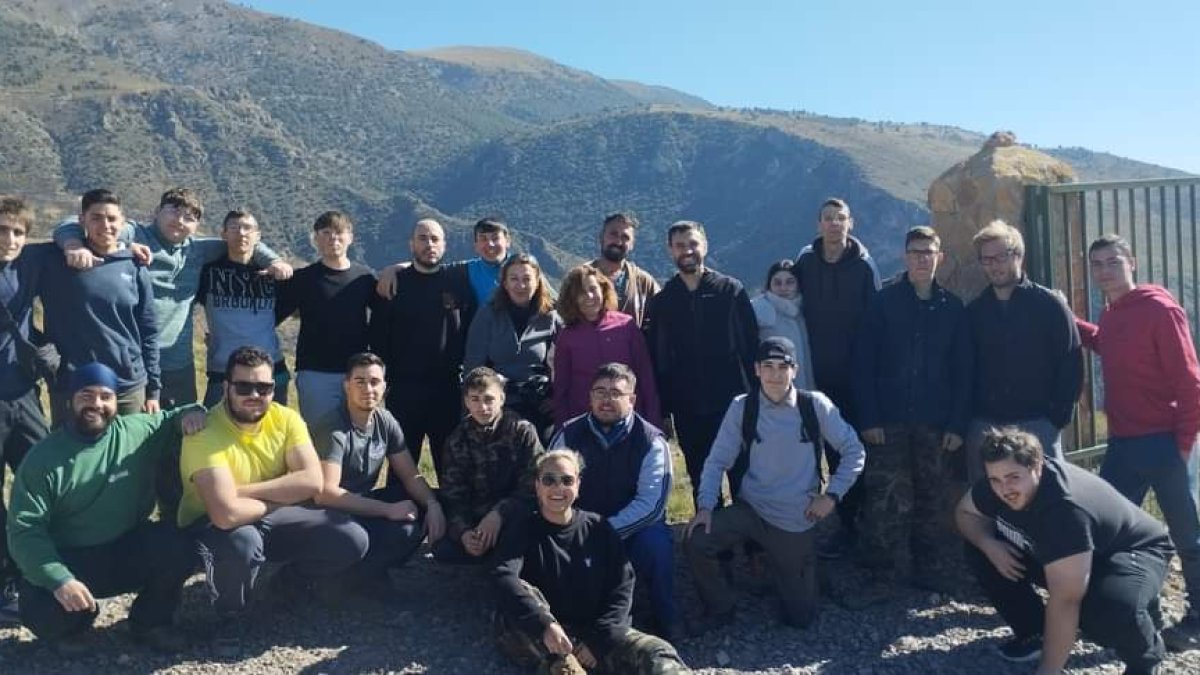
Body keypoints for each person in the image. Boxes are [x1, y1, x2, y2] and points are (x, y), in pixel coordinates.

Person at [6, 362, 205, 652]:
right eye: (86, 395)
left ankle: (151, 623)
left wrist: (193, 413)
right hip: (71, 558)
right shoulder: (43, 459)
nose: (96, 404)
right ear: (70, 400)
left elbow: (174, 417)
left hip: (125, 546)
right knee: (41, 610)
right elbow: (24, 531)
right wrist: (59, 579)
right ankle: (74, 625)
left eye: (105, 396)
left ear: (116, 401)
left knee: (177, 547)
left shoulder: (136, 431)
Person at [956, 427, 1172, 675]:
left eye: (1013, 477)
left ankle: (1146, 657)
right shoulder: (997, 485)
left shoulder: (1065, 509)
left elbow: (1066, 599)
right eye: (995, 479)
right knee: (979, 548)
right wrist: (989, 545)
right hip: (1072, 552)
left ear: (1036, 466)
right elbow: (965, 513)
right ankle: (1035, 633)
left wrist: (1048, 670)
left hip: (1131, 550)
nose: (1005, 489)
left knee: (1107, 610)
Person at [685, 337, 865, 631]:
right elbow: (717, 460)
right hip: (751, 509)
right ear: (756, 370)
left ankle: (808, 571)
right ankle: (721, 608)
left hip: (796, 517)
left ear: (795, 369)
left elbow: (854, 450)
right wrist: (705, 506)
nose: (775, 374)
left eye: (783, 366)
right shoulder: (742, 407)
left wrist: (831, 496)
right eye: (767, 366)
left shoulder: (814, 405)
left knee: (800, 618)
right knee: (697, 540)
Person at [52, 187, 289, 408]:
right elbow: (76, 222)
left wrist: (273, 261)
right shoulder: (136, 233)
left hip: (178, 361)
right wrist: (74, 245)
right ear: (157, 212)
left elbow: (241, 240)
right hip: (131, 357)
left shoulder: (198, 249)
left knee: (180, 428)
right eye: (174, 212)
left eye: (189, 217)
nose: (180, 221)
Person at [1076, 233, 1200, 651]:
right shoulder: (1113, 312)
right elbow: (1106, 344)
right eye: (1097, 264)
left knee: (1188, 536)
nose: (1105, 271)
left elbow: (1190, 381)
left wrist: (1183, 446)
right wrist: (1069, 319)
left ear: (1133, 262)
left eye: (1113, 261)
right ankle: (1143, 610)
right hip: (1124, 443)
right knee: (1114, 531)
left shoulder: (1159, 309)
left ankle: (1198, 619)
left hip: (1163, 441)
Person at [178, 346, 368, 617]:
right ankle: (227, 613)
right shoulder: (203, 431)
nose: (254, 395)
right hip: (208, 525)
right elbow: (224, 514)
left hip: (267, 513)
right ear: (226, 387)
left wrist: (243, 494)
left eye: (264, 388)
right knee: (242, 544)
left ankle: (284, 586)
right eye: (244, 387)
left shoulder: (285, 418)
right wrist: (278, 497)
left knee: (350, 538)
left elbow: (313, 481)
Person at [491, 449, 690, 674]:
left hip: (597, 630)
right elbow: (504, 577)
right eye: (549, 480)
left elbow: (622, 585)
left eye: (567, 480)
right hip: (546, 634)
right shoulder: (521, 529)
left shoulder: (598, 529)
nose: (558, 488)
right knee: (564, 668)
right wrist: (545, 625)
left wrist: (599, 640)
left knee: (657, 653)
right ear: (537, 485)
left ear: (578, 485)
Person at [852, 226, 971, 591]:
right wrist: (868, 417)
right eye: (915, 252)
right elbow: (863, 363)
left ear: (940, 258)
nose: (922, 258)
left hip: (936, 423)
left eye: (928, 252)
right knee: (887, 499)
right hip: (888, 421)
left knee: (934, 500)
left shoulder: (953, 308)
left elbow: (964, 370)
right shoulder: (883, 303)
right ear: (905, 257)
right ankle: (888, 575)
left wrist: (957, 423)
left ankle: (932, 572)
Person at [549, 363, 677, 639]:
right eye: (599, 392)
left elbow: (652, 505)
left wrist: (604, 533)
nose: (606, 399)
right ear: (590, 396)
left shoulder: (652, 441)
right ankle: (560, 626)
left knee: (656, 544)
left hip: (632, 531)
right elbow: (548, 488)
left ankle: (668, 618)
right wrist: (575, 531)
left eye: (616, 393)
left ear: (631, 400)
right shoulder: (569, 434)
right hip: (581, 532)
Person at [310, 352, 447, 598]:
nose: (368, 389)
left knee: (420, 506)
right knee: (376, 530)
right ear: (346, 385)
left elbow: (410, 475)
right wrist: (387, 510)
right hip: (325, 514)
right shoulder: (334, 427)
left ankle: (363, 575)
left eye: (374, 381)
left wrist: (433, 504)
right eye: (359, 381)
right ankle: (327, 583)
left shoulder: (385, 421)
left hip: (359, 503)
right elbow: (325, 494)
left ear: (384, 386)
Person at [643, 220, 757, 504]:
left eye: (693, 244)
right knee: (701, 476)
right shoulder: (663, 302)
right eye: (680, 246)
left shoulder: (730, 291)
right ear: (670, 250)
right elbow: (659, 358)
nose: (687, 251)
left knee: (743, 474)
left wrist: (757, 396)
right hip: (688, 407)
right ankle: (713, 542)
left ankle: (752, 541)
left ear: (704, 245)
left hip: (733, 402)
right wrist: (664, 409)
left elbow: (751, 347)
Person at [793, 197, 881, 559]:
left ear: (851, 223)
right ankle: (823, 524)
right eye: (827, 218)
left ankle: (859, 524)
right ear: (818, 224)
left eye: (840, 218)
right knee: (819, 450)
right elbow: (787, 300)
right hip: (814, 375)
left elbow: (876, 319)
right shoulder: (806, 262)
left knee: (855, 449)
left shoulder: (863, 266)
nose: (833, 224)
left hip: (856, 375)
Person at [966, 219, 1082, 482]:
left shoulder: (1050, 306)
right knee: (986, 505)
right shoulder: (975, 312)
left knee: (1048, 500)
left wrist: (1055, 419)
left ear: (1018, 255)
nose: (994, 265)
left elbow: (1071, 362)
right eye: (987, 259)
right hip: (986, 426)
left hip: (1038, 423)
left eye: (1001, 256)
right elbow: (965, 369)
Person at [37, 189, 161, 422]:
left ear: (122, 222)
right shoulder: (57, 261)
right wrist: (42, 349)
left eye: (112, 218)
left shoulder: (135, 265)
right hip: (72, 385)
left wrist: (153, 389)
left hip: (127, 386)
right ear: (81, 220)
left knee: (127, 455)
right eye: (96, 218)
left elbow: (149, 330)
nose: (105, 225)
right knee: (73, 456)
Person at [369, 218, 476, 478]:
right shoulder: (394, 284)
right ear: (412, 244)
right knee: (400, 465)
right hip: (404, 390)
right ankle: (399, 516)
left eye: (435, 239)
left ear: (444, 245)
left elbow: (470, 332)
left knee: (450, 465)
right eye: (423, 238)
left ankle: (450, 517)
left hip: (448, 390)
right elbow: (378, 336)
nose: (429, 244)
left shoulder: (459, 283)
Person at [0, 196, 52, 623]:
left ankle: (41, 567)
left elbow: (75, 231)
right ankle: (8, 580)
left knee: (43, 479)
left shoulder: (30, 263)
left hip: (23, 394)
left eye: (18, 231)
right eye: (2, 230)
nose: (10, 239)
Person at [276, 210, 379, 422]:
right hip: (315, 374)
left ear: (350, 237)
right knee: (320, 441)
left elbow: (385, 319)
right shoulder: (303, 279)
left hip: (357, 374)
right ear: (316, 239)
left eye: (339, 232)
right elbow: (270, 317)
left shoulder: (364, 278)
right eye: (326, 232)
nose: (333, 238)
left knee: (359, 439)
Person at [435, 367, 543, 563]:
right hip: (476, 518)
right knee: (443, 550)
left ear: (501, 398)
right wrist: (464, 532)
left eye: (489, 399)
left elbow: (533, 485)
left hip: (512, 514)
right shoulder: (457, 439)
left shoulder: (522, 431)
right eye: (475, 399)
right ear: (466, 402)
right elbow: (453, 494)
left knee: (525, 536)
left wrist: (499, 514)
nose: (482, 407)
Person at [196, 209, 290, 408]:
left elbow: (286, 311)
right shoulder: (207, 273)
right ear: (223, 234)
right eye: (234, 228)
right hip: (223, 372)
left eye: (248, 228)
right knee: (216, 433)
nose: (241, 233)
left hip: (271, 370)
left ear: (258, 235)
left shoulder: (274, 275)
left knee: (272, 434)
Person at [465, 253, 561, 442]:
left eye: (527, 279)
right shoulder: (488, 315)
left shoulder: (552, 318)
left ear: (537, 281)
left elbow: (564, 363)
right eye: (514, 279)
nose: (520, 285)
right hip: (497, 404)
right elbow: (473, 366)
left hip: (539, 404)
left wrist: (555, 397)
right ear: (505, 282)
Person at [553, 265, 660, 429]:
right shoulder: (567, 336)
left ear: (603, 290)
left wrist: (653, 424)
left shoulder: (626, 326)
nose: (589, 296)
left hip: (628, 421)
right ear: (572, 298)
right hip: (584, 423)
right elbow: (561, 389)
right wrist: (563, 431)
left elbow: (646, 377)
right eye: (580, 292)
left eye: (593, 289)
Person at [376, 216, 514, 307]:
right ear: (475, 246)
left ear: (508, 242)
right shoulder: (467, 269)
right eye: (483, 239)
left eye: (495, 238)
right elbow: (430, 266)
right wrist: (394, 269)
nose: (490, 244)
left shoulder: (524, 269)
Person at [587, 212, 660, 327]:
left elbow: (662, 315)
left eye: (625, 237)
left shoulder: (644, 282)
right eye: (613, 234)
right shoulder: (581, 277)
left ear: (632, 245)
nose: (618, 241)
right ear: (601, 237)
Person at [750, 259, 814, 390]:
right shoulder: (759, 310)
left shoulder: (806, 311)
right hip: (772, 387)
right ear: (769, 285)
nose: (783, 288)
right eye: (777, 283)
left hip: (807, 385)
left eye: (790, 282)